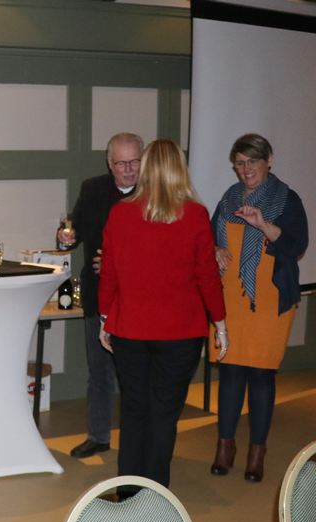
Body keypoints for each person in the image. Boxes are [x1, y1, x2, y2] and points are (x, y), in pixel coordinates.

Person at [98, 139, 228, 489]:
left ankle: (128, 490)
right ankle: (156, 495)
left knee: (134, 409)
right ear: (179, 169)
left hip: (130, 328)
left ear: (146, 168)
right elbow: (207, 275)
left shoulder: (121, 213)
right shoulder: (195, 214)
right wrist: (220, 322)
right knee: (164, 413)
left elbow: (109, 272)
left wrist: (105, 317)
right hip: (181, 333)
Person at [208, 134, 308, 483]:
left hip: (269, 299)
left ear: (269, 161)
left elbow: (297, 245)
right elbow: (210, 238)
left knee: (262, 375)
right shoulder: (228, 199)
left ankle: (256, 453)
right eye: (240, 162)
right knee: (231, 372)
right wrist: (215, 249)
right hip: (230, 298)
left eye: (252, 161)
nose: (246, 169)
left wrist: (262, 224)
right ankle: (225, 447)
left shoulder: (287, 199)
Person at [57, 132, 144, 459]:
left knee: (137, 373)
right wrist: (65, 237)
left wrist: (118, 263)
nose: (129, 170)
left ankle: (141, 438)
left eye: (135, 162)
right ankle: (98, 435)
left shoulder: (155, 192)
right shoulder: (92, 189)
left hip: (140, 297)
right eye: (121, 163)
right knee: (99, 369)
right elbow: (74, 232)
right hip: (98, 294)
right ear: (109, 164)